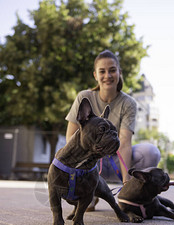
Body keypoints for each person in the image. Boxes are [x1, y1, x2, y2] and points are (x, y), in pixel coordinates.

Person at [65, 49, 160, 210]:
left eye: (112, 70)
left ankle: (137, 195)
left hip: (115, 160)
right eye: (102, 71)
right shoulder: (84, 97)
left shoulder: (128, 103)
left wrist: (126, 184)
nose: (107, 75)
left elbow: (124, 142)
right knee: (65, 152)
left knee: (151, 152)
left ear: (119, 73)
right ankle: (89, 192)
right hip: (90, 161)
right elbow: (70, 138)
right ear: (95, 75)